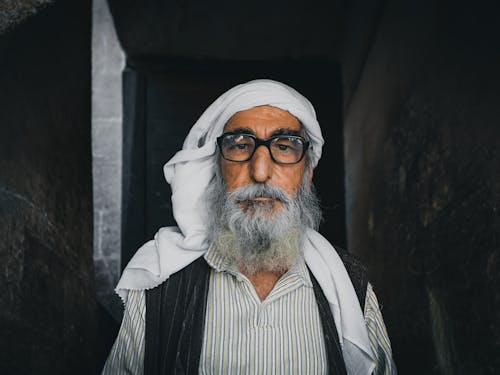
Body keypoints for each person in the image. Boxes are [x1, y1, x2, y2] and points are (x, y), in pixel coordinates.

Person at [102, 79, 396, 374]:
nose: (260, 172)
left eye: (284, 147)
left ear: (306, 175)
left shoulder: (352, 287)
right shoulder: (157, 286)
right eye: (241, 146)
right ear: (217, 169)